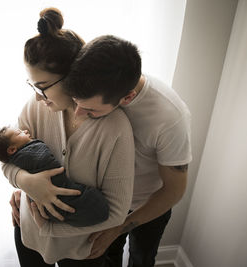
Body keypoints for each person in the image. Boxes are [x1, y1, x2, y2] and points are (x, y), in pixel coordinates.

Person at [1, 8, 135, 266]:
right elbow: (7, 159)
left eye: (42, 87)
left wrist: (50, 228)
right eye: (32, 86)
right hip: (28, 234)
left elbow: (117, 212)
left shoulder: (115, 128)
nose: (38, 95)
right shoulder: (34, 107)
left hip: (82, 247)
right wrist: (25, 181)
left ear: (72, 76)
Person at [63, 35, 192, 267]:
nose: (77, 114)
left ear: (127, 98)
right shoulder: (92, 83)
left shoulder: (169, 119)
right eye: (75, 102)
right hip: (105, 200)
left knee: (142, 259)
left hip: (148, 204)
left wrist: (120, 226)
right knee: (106, 258)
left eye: (90, 110)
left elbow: (175, 189)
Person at [0, 126, 109, 227]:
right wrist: (24, 180)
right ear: (12, 149)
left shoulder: (18, 149)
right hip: (29, 224)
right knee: (83, 202)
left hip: (39, 223)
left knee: (82, 204)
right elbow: (6, 165)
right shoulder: (26, 154)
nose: (25, 131)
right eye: (19, 133)